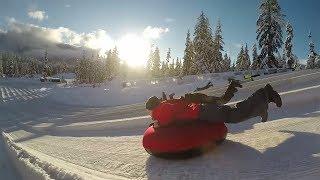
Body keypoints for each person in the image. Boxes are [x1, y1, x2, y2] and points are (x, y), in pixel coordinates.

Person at [145, 81, 282, 127]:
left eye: (149, 111)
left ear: (153, 107)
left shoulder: (162, 109)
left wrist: (158, 124)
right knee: (233, 113)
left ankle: (265, 94)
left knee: (233, 114)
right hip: (203, 110)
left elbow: (168, 118)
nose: (149, 114)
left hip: (203, 111)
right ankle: (262, 103)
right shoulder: (163, 107)